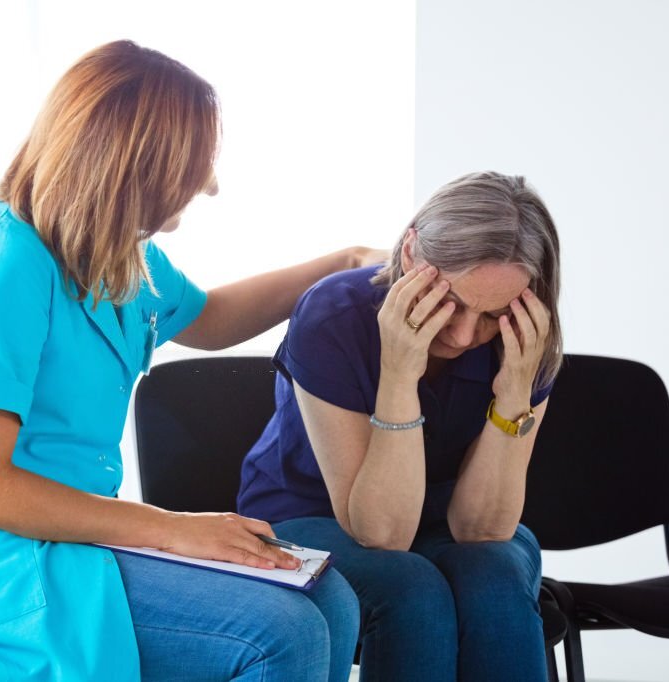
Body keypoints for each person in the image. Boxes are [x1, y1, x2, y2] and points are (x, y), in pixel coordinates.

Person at [0, 40, 378, 682]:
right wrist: (169, 529)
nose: (207, 186)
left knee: (327, 599)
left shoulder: (110, 254)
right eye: (188, 167)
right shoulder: (0, 262)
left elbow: (213, 317)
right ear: (130, 166)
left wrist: (342, 263)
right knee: (278, 633)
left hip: (70, 535)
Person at [238, 171, 563, 681]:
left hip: (446, 515)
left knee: (495, 576)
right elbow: (383, 533)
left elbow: (481, 530)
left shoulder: (524, 337)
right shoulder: (334, 316)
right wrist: (399, 374)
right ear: (411, 253)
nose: (462, 334)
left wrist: (515, 392)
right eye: (450, 303)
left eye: (491, 315)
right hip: (308, 513)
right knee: (410, 590)